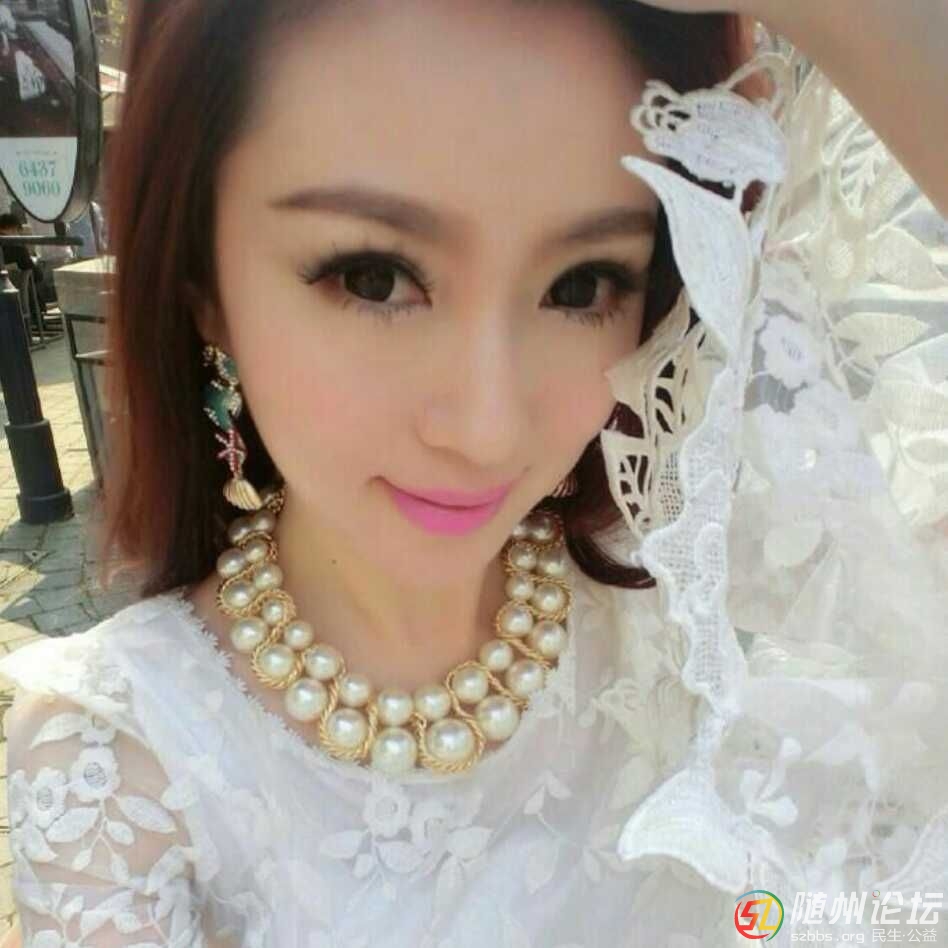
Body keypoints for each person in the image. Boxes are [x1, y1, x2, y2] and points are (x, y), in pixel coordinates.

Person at [0, 1, 944, 945]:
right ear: (203, 284)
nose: (488, 431)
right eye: (374, 278)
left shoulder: (706, 603)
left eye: (581, 285)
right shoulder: (119, 770)